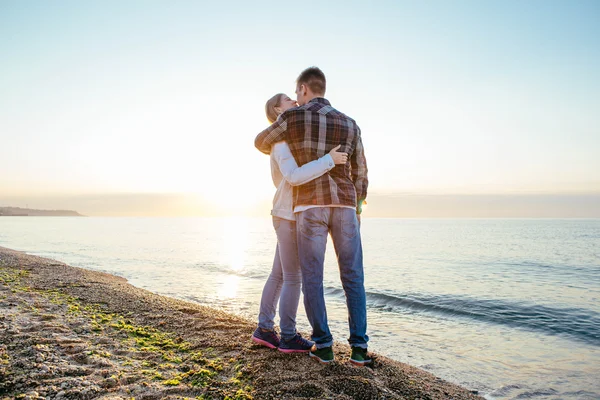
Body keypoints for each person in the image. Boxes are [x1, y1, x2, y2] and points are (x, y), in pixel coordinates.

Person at [254, 67, 371, 366]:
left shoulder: (292, 119)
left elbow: (260, 140)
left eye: (296, 93)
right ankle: (359, 350)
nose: (296, 98)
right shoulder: (350, 123)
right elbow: (361, 172)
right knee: (353, 278)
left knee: (312, 278)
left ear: (304, 88)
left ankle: (324, 345)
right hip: (345, 205)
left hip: (310, 207)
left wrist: (287, 134)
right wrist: (357, 206)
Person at [251, 93, 349, 353]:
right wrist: (329, 160)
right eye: (287, 99)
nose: (294, 101)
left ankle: (264, 328)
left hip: (288, 213)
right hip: (289, 214)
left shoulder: (289, 137)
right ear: (276, 109)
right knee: (293, 277)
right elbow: (294, 176)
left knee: (280, 274)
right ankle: (288, 336)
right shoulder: (280, 141)